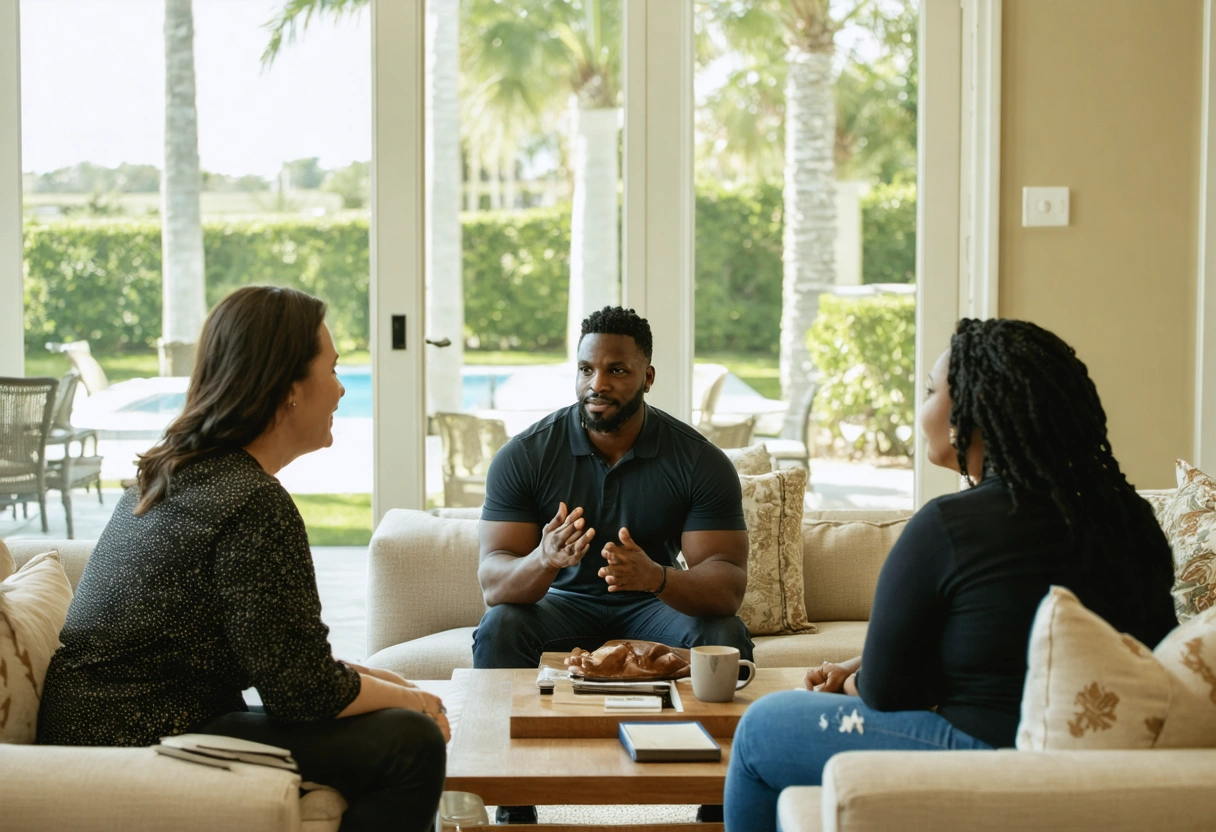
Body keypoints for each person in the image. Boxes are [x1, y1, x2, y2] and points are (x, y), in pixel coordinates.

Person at [723, 317, 1178, 831]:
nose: (923, 408)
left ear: (967, 416)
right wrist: (858, 663)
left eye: (930, 392)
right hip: (1109, 764)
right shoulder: (1130, 518)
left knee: (763, 728)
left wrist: (855, 682)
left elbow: (889, 693)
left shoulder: (948, 526)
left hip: (985, 756)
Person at [37, 286, 447, 832]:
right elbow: (304, 693)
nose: (343, 388)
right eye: (333, 368)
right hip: (135, 738)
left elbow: (283, 660)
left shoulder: (173, 474)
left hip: (100, 725)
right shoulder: (251, 502)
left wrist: (393, 687)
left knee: (391, 717)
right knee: (407, 743)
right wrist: (415, 704)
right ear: (289, 388)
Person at [474, 306, 752, 824]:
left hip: (652, 606)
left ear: (647, 376)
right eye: (586, 369)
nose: (596, 383)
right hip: (563, 606)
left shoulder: (697, 459)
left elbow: (728, 584)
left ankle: (717, 806)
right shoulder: (527, 454)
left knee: (723, 632)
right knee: (500, 626)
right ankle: (514, 804)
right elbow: (494, 581)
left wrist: (657, 577)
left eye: (616, 370)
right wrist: (544, 557)